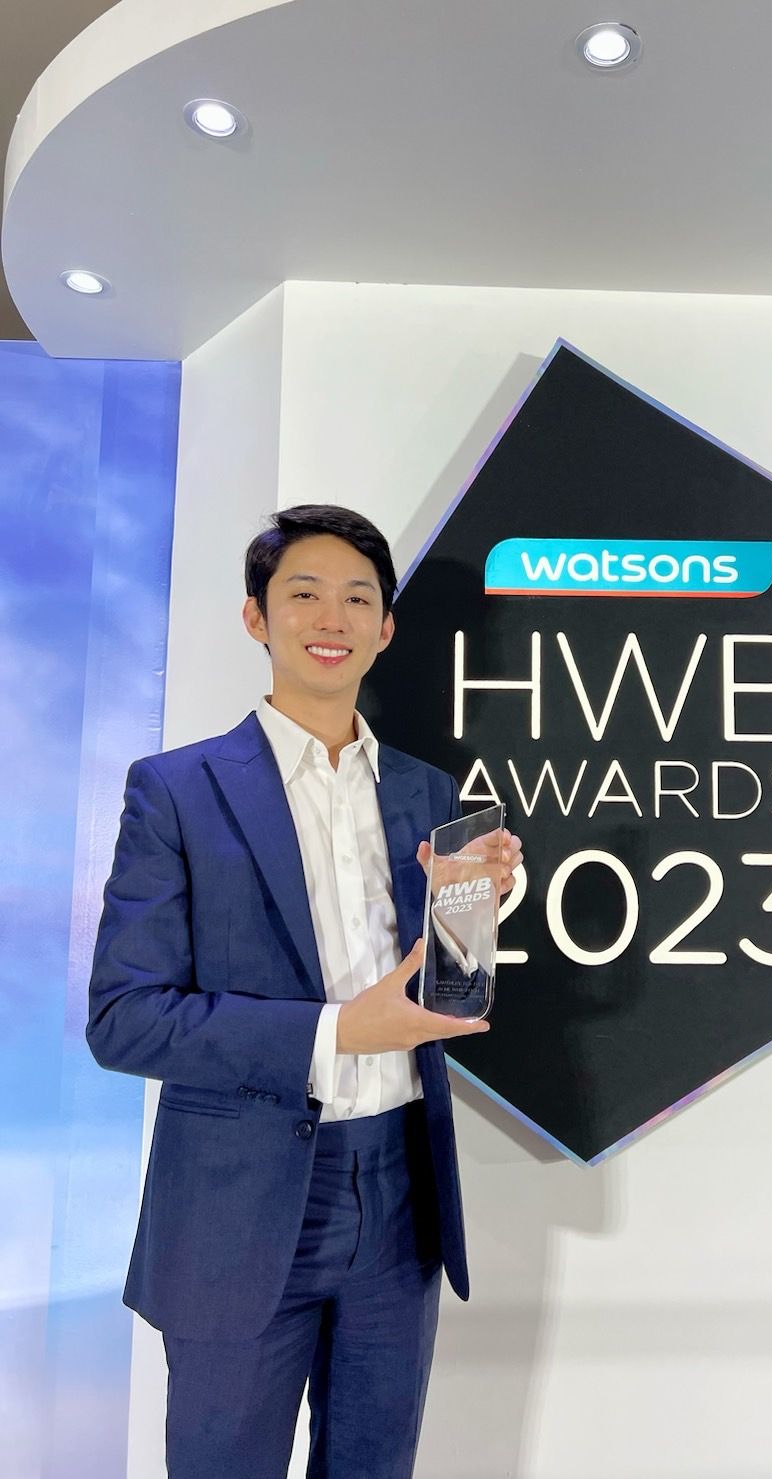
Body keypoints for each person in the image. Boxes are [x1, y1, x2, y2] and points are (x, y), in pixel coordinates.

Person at [86, 503, 522, 1479]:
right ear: (257, 618)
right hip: (238, 1203)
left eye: (358, 598)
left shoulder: (430, 793)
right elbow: (124, 1019)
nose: (333, 618)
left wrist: (483, 899)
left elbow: (440, 984)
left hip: (401, 1190)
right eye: (305, 594)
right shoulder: (176, 790)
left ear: (386, 628)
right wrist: (337, 1033)